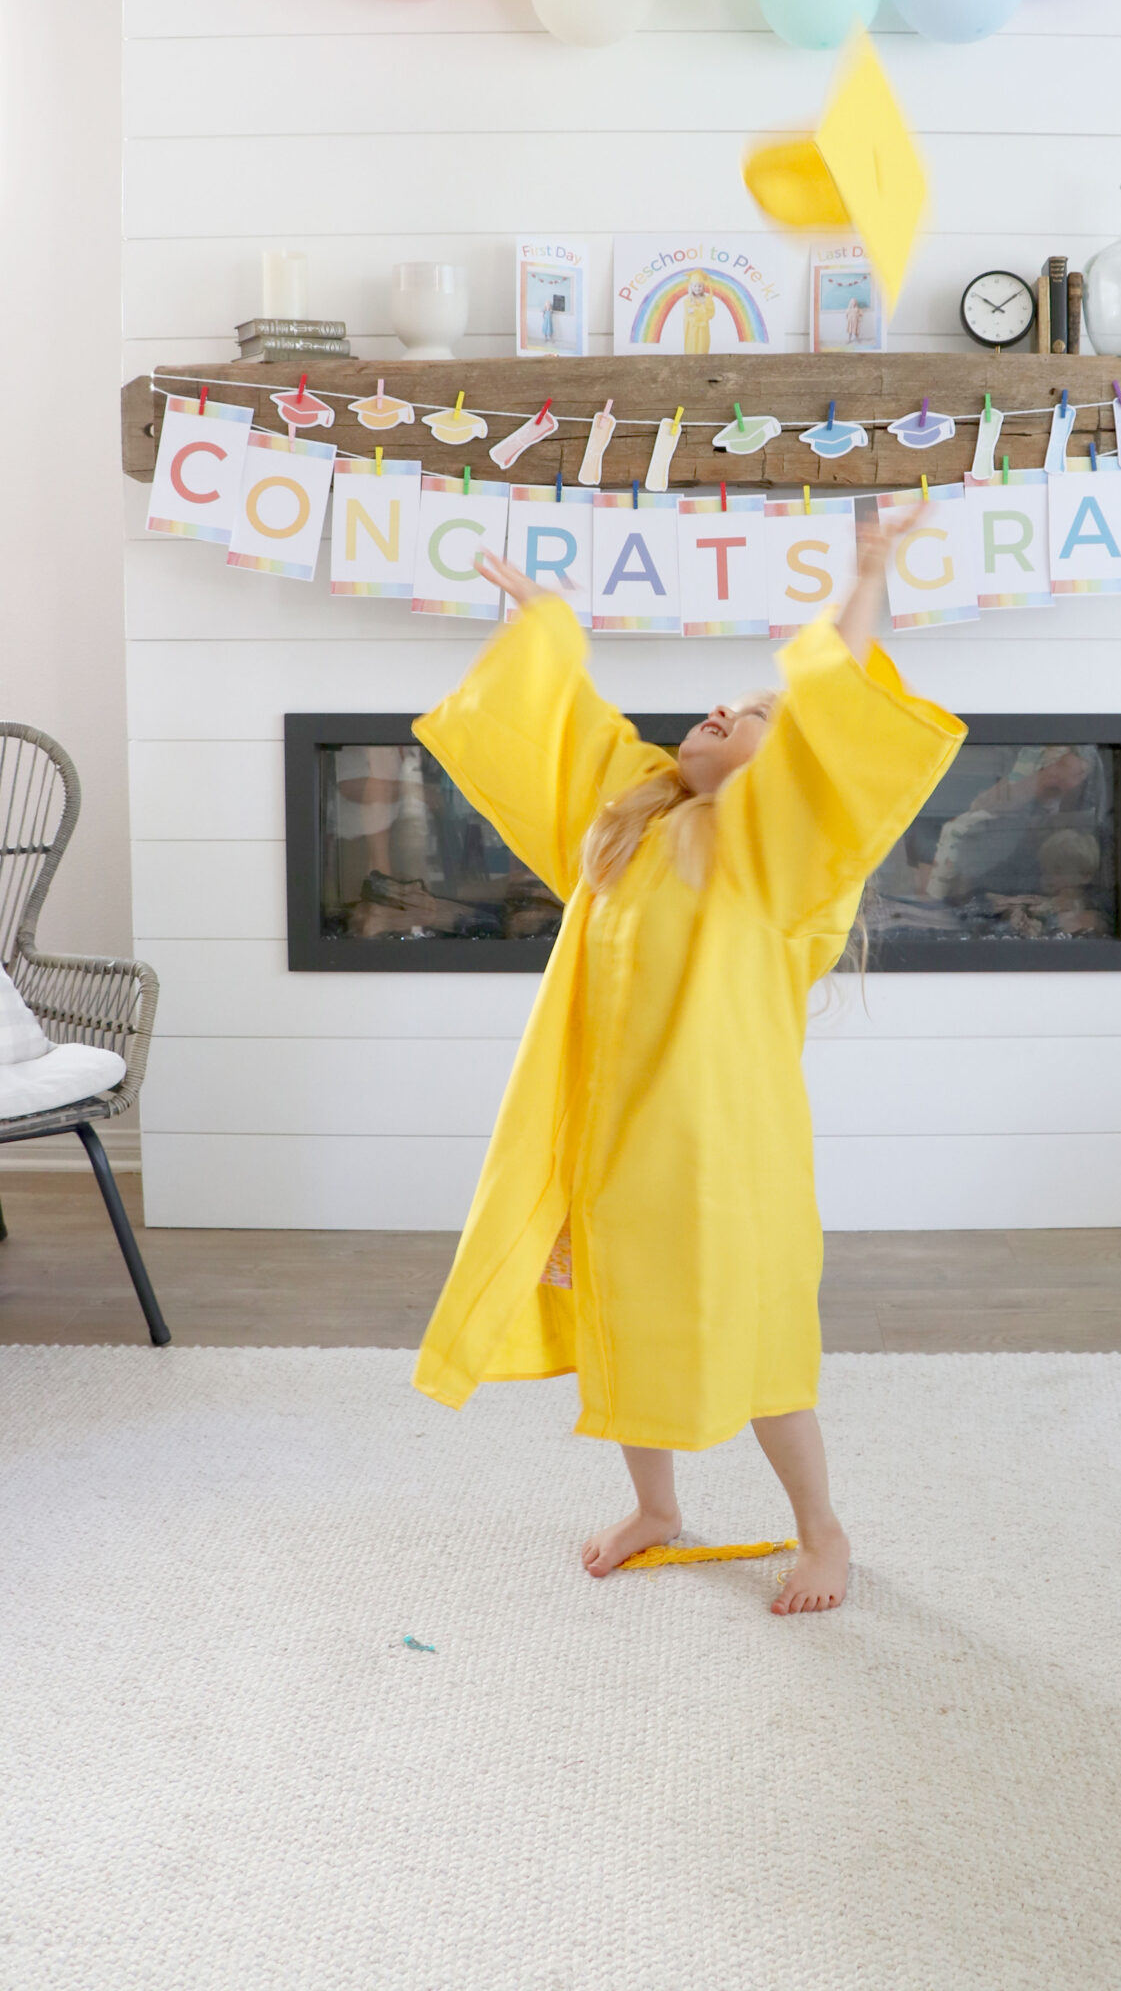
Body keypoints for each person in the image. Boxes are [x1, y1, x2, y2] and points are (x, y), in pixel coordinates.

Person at [410, 512, 963, 1613]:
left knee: (756, 1343)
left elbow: (832, 728)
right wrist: (544, 629)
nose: (724, 712)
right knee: (625, 1314)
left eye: (753, 717)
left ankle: (823, 1530)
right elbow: (566, 731)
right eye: (723, 705)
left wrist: (864, 579)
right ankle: (655, 1507)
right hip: (611, 1134)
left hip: (719, 1147)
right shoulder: (629, 819)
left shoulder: (776, 849)